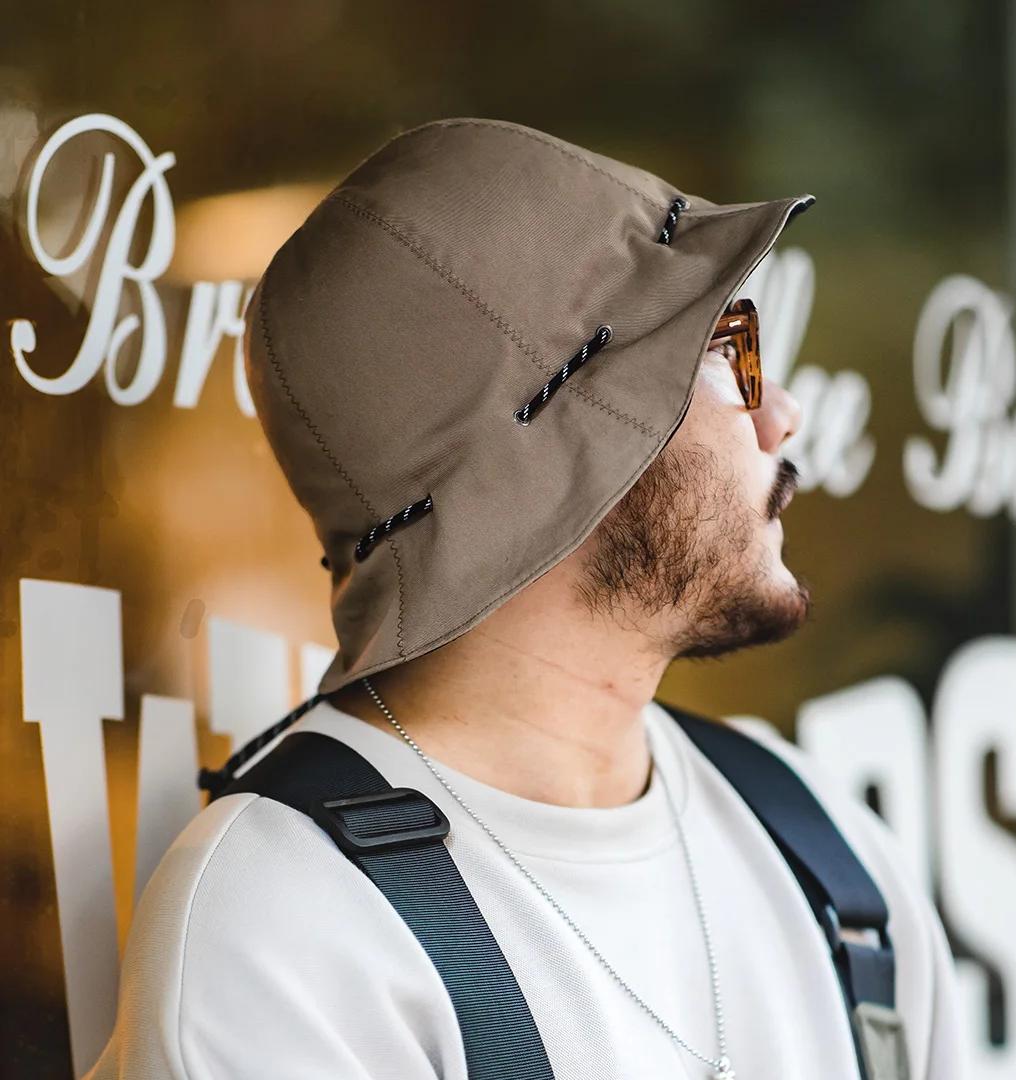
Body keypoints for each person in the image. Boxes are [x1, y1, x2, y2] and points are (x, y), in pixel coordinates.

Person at [87, 118, 964, 1079]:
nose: (780, 414)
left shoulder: (814, 841)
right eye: (722, 349)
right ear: (560, 461)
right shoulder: (285, 929)